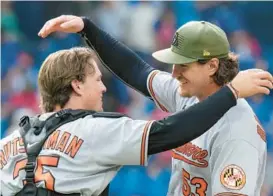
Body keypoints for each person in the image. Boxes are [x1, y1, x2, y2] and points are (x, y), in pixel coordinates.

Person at [38, 15, 273, 195]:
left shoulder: (239, 131)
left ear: (211, 66)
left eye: (183, 65)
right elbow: (137, 72)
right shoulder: (189, 94)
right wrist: (87, 27)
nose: (174, 72)